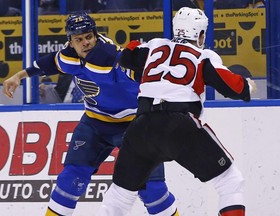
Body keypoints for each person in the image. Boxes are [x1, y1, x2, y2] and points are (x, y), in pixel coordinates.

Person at [2, 12, 179, 216]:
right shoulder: (68, 56)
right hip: (95, 124)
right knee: (70, 179)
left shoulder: (112, 57)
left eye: (89, 37)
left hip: (135, 125)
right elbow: (50, 62)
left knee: (152, 190)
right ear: (70, 42)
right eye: (79, 39)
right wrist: (19, 76)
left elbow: (145, 74)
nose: (86, 43)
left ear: (95, 35)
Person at [96, 7, 257, 216]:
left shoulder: (154, 46)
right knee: (230, 182)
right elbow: (235, 88)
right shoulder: (203, 55)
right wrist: (247, 87)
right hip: (179, 124)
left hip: (141, 127)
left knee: (119, 197)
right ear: (200, 34)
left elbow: (127, 56)